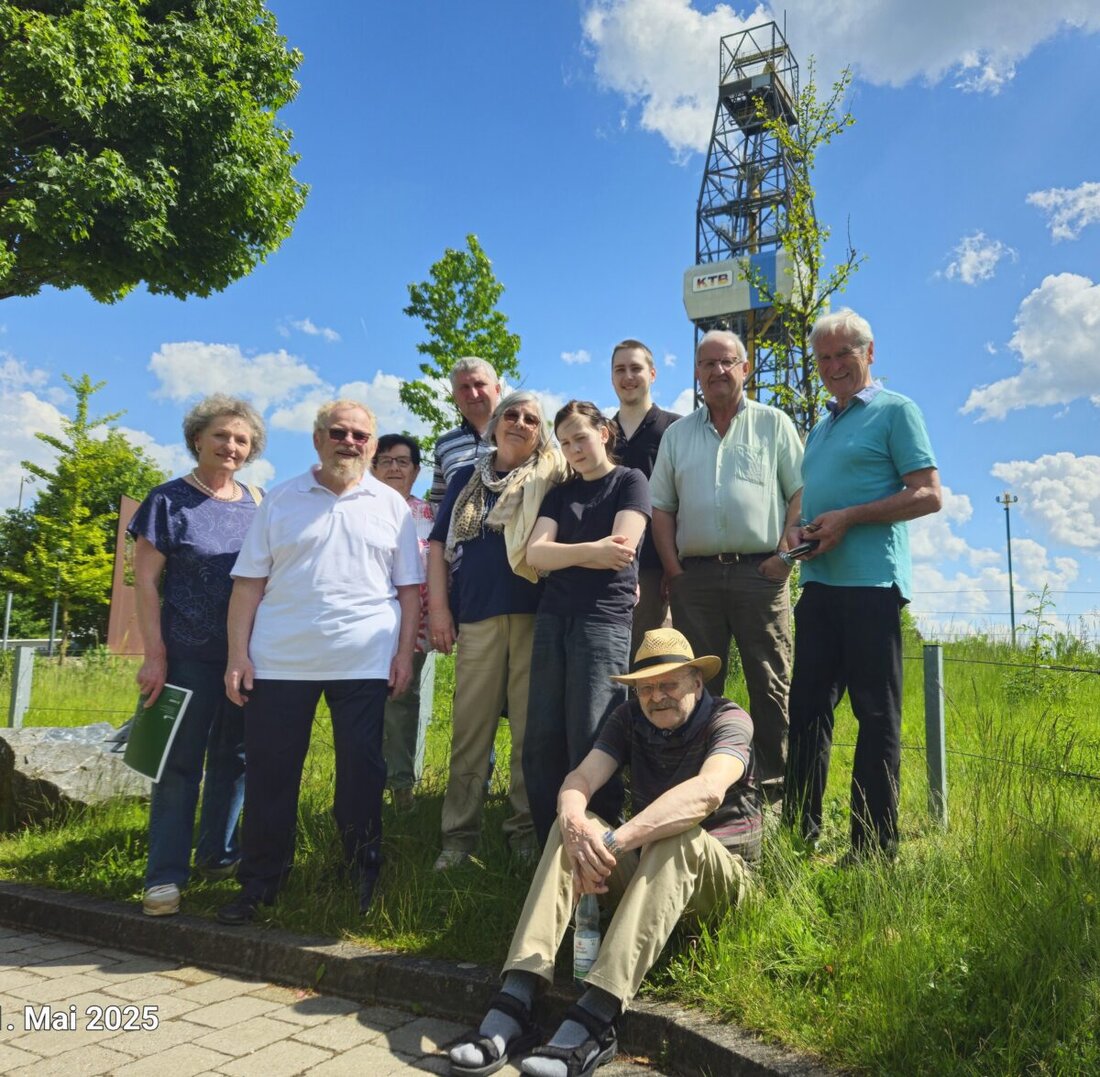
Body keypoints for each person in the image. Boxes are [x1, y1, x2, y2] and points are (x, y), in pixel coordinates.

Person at [448, 628, 760, 1077]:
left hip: (724, 884)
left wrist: (615, 842)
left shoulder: (730, 719)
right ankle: (517, 995)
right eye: (647, 687)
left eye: (669, 683)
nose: (656, 697)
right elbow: (580, 779)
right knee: (573, 825)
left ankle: (596, 1016)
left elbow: (707, 793)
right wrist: (577, 827)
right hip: (652, 879)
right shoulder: (629, 717)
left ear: (696, 681)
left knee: (679, 834)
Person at [217, 400, 423, 923]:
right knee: (271, 775)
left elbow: (410, 592)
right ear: (317, 439)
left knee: (361, 773)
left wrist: (403, 656)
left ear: (372, 446)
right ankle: (260, 881)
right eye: (339, 432)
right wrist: (237, 655)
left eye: (360, 435)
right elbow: (248, 585)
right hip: (280, 660)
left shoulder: (392, 507)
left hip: (365, 660)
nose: (349, 442)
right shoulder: (280, 500)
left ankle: (359, 870)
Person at [782, 309, 941, 859]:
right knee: (806, 711)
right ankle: (798, 832)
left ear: (869, 354)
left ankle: (873, 845)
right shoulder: (822, 427)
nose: (832, 366)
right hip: (819, 584)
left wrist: (849, 518)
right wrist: (802, 533)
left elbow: (928, 494)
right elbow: (813, 499)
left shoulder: (897, 411)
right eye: (823, 358)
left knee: (875, 714)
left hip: (872, 585)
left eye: (843, 354)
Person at [129, 395, 266, 917]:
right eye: (221, 436)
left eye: (241, 439)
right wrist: (154, 655)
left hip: (247, 656)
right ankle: (165, 875)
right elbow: (145, 581)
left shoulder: (259, 501)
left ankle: (217, 855)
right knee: (179, 765)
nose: (230, 446)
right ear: (197, 440)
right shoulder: (167, 501)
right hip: (186, 654)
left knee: (235, 759)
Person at [649, 329, 803, 795]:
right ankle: (705, 785)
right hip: (695, 578)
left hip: (762, 575)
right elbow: (661, 508)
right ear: (697, 372)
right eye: (707, 363)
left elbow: (801, 493)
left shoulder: (774, 424)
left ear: (745, 368)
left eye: (727, 361)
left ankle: (772, 788)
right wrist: (675, 571)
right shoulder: (677, 435)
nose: (717, 370)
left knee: (770, 682)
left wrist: (784, 558)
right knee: (696, 687)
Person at [429, 391, 568, 870]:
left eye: (532, 419)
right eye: (512, 414)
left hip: (536, 618)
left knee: (531, 734)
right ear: (495, 424)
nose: (520, 423)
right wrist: (440, 612)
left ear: (540, 432)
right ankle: (457, 837)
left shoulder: (553, 478)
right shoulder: (467, 477)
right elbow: (437, 547)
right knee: (471, 731)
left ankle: (525, 833)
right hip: (477, 617)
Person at [524, 401, 651, 847]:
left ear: (604, 432)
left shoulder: (629, 482)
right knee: (542, 736)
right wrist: (589, 551)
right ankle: (549, 847)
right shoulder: (561, 493)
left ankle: (599, 843)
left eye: (580, 437)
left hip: (603, 622)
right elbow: (534, 555)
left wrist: (569, 554)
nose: (574, 449)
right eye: (564, 443)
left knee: (592, 734)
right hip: (553, 619)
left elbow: (622, 549)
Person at [372, 434, 436, 810]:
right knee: (363, 704)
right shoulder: (358, 508)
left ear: (415, 470)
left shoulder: (428, 515)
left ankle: (401, 789)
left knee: (401, 702)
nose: (395, 468)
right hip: (364, 625)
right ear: (373, 467)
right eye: (386, 461)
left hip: (414, 626)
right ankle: (363, 782)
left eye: (403, 461)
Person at [608, 338, 680, 656]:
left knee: (654, 661)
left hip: (656, 567)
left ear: (652, 373)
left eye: (636, 368)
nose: (628, 377)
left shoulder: (676, 429)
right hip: (608, 565)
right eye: (620, 369)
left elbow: (685, 499)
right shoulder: (601, 433)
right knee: (613, 659)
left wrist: (672, 565)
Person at [427, 357, 504, 509]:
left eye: (479, 384)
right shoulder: (445, 445)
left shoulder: (521, 433)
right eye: (464, 387)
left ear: (497, 389)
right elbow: (438, 505)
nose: (473, 394)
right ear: (455, 396)